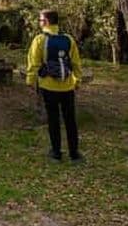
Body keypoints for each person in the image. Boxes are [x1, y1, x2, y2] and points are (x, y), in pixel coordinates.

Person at [26, 9, 84, 163]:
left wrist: (30, 82)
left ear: (46, 22)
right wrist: (77, 80)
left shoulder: (39, 40)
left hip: (48, 86)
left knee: (53, 119)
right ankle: (74, 154)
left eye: (40, 20)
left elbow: (34, 63)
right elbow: (76, 62)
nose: (39, 22)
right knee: (70, 120)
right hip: (67, 86)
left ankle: (56, 153)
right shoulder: (69, 39)